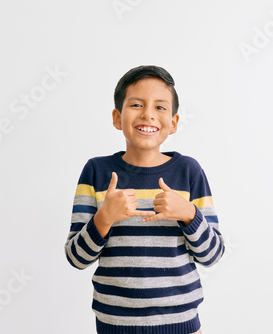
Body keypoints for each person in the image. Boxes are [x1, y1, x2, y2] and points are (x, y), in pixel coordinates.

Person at [65, 65, 224, 334]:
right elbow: (76, 257)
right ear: (117, 117)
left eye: (160, 107)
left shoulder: (189, 171)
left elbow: (212, 255)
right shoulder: (97, 171)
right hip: (115, 325)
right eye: (136, 104)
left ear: (173, 123)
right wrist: (104, 218)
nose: (148, 114)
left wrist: (189, 214)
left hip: (181, 324)